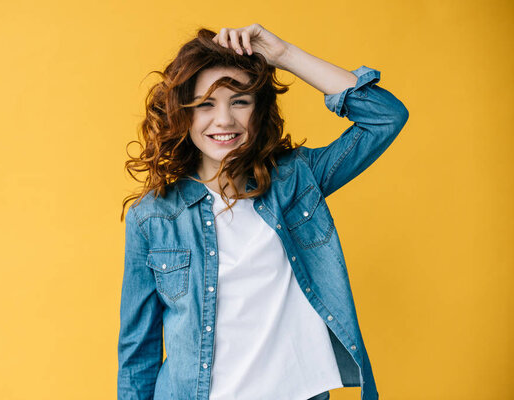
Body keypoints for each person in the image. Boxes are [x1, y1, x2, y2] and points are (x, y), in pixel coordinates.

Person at [118, 24, 409, 400]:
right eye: (206, 104)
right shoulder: (152, 218)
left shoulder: (296, 182)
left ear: (260, 110)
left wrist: (284, 55)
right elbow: (137, 354)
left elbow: (385, 117)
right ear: (183, 114)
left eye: (239, 101)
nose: (224, 120)